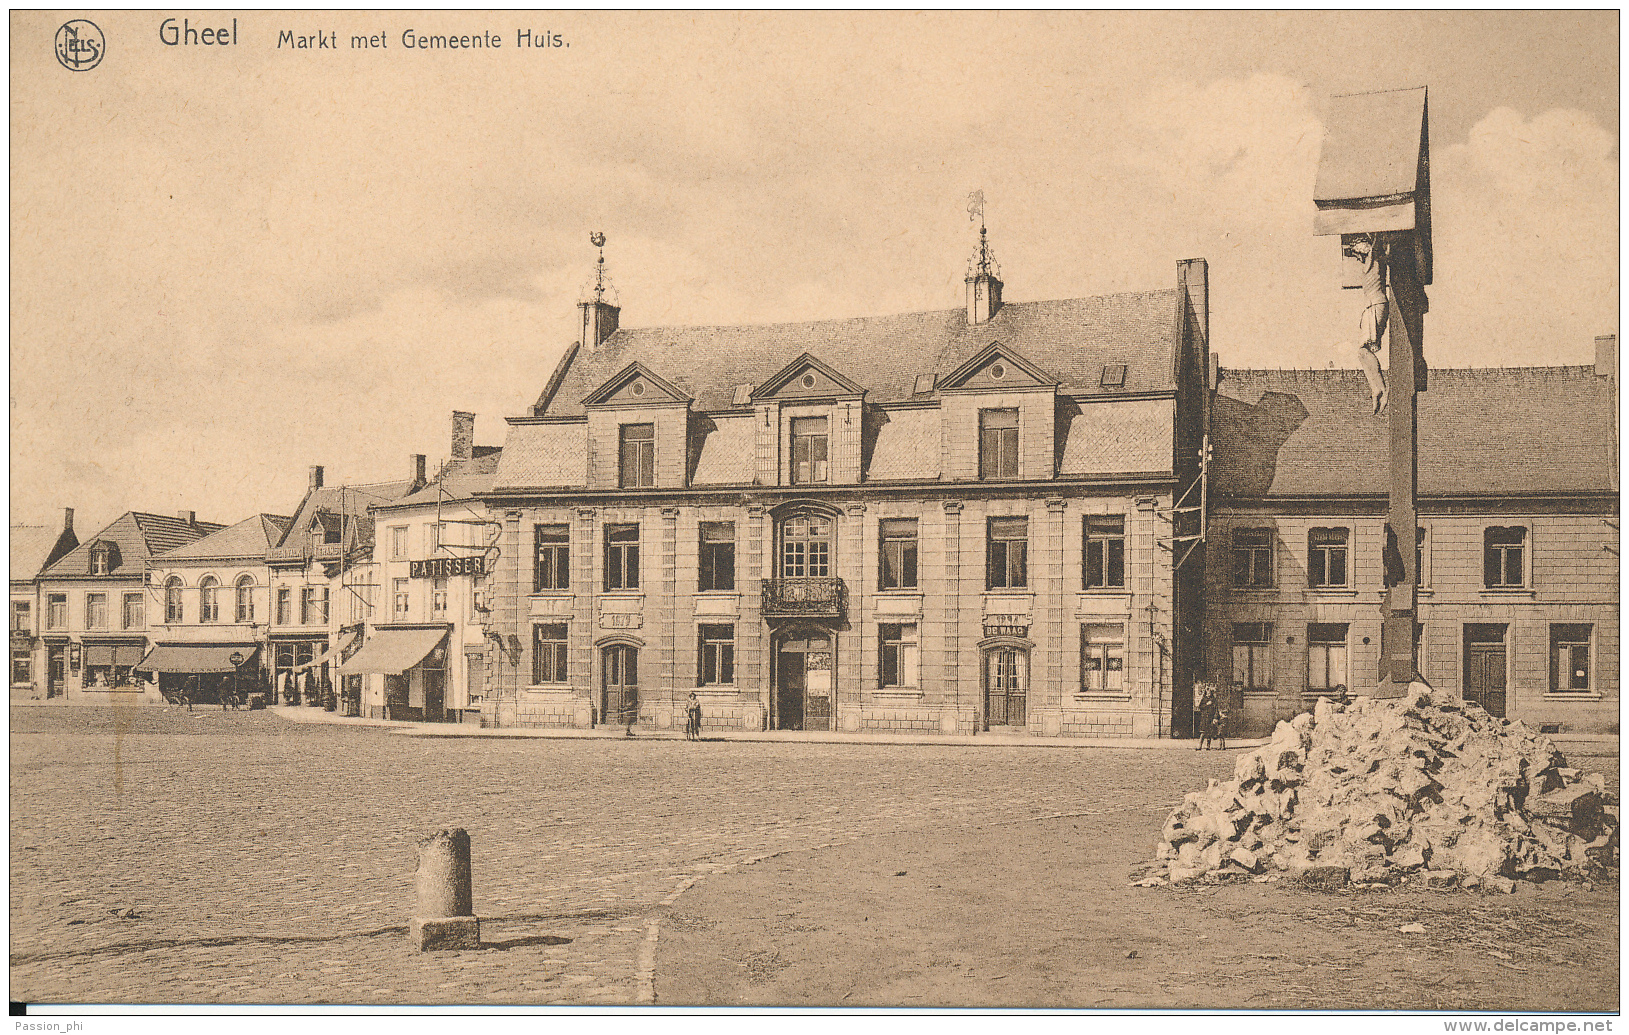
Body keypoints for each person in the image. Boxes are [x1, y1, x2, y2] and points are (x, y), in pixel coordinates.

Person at [1345, 233, 1389, 415]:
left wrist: (1373, 236)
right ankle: (1376, 388)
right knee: (1362, 353)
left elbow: (1376, 242)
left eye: (1357, 250)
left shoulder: (1373, 258)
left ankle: (1382, 389)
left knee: (1364, 350)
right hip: (1370, 307)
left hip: (1375, 305)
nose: (1356, 256)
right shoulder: (1368, 262)